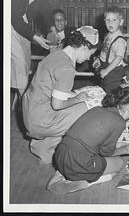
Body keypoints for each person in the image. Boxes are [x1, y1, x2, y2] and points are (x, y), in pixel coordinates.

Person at [22, 26, 99, 164]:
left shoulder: (55, 55)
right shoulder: (67, 68)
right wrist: (77, 98)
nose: (89, 58)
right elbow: (57, 105)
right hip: (39, 120)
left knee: (78, 98)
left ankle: (41, 146)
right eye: (90, 54)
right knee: (89, 109)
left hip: (30, 111)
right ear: (84, 47)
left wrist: (74, 95)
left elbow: (51, 89)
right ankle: (63, 152)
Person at [47, 87, 129, 194]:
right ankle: (81, 183)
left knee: (88, 157)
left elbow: (92, 139)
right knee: (118, 164)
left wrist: (118, 144)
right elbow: (106, 153)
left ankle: (62, 173)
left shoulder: (96, 109)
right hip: (78, 161)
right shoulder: (120, 122)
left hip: (60, 154)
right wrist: (126, 149)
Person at [11, 0, 51, 106]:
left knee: (26, 62)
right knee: (20, 62)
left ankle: (19, 99)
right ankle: (24, 106)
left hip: (24, 23)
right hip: (9, 23)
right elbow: (14, 19)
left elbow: (45, 10)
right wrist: (35, 37)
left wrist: (52, 28)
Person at [92, 6, 127, 93]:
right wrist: (99, 59)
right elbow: (105, 50)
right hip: (105, 67)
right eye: (108, 20)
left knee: (112, 91)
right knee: (104, 88)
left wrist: (107, 71)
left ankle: (113, 105)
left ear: (121, 22)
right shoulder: (108, 35)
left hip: (114, 71)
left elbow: (119, 57)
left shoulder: (119, 40)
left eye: (114, 20)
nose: (110, 23)